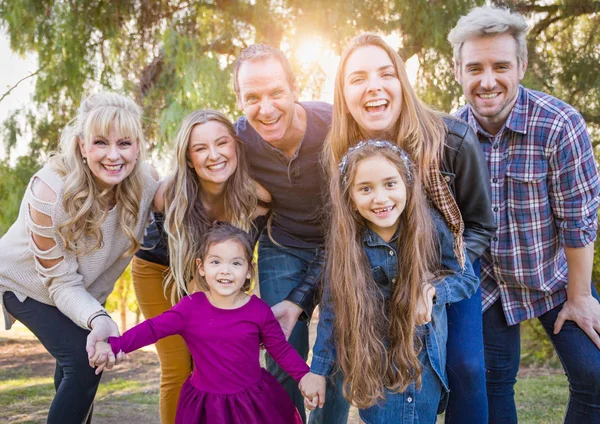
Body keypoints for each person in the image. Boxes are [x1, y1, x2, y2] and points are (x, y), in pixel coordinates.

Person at [314, 33, 496, 424]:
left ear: (402, 82)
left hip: (448, 262)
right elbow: (340, 242)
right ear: (343, 93)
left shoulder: (451, 139)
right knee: (370, 355)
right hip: (374, 274)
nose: (374, 86)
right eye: (358, 77)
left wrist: (434, 285)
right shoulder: (339, 151)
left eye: (385, 73)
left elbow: (480, 225)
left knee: (465, 364)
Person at [448, 6, 600, 423]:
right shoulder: (450, 135)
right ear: (458, 70)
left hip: (555, 276)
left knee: (595, 377)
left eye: (501, 65)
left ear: (522, 66)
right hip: (490, 284)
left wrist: (581, 296)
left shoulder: (559, 125)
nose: (488, 80)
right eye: (474, 67)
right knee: (494, 384)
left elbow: (579, 219)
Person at [0, 91, 161, 423]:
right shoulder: (49, 190)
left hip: (81, 294)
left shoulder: (146, 182)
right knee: (83, 362)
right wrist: (99, 318)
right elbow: (60, 282)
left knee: (80, 368)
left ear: (138, 147)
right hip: (24, 283)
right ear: (82, 147)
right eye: (100, 142)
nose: (114, 156)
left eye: (125, 143)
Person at [299, 141, 479, 423]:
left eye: (390, 184)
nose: (380, 198)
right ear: (351, 199)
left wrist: (432, 292)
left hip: (422, 363)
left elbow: (466, 277)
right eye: (366, 188)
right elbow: (332, 313)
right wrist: (318, 371)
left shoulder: (430, 227)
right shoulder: (347, 247)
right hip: (374, 365)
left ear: (407, 185)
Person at [91, 224, 313, 424]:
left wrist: (305, 375)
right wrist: (114, 345)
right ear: (201, 267)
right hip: (206, 406)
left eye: (236, 263)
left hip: (252, 402)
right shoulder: (189, 308)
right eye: (215, 262)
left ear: (248, 271)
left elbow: (280, 350)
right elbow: (152, 329)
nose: (225, 270)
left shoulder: (258, 310)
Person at [131, 109, 270, 424]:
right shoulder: (169, 194)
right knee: (179, 365)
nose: (214, 155)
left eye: (222, 143)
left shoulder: (257, 199)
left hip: (211, 277)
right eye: (201, 148)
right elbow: (189, 280)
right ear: (189, 158)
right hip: (159, 273)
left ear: (236, 146)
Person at [233, 43, 332, 422]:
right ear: (240, 99)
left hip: (341, 244)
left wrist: (301, 297)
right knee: (282, 347)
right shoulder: (239, 141)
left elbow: (348, 227)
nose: (267, 108)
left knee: (330, 355)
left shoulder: (335, 127)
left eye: (276, 92)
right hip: (283, 244)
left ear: (295, 88)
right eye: (253, 97)